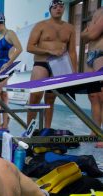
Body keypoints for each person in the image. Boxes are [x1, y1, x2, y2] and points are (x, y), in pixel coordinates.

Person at [27, 0, 77, 129]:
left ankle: (47, 130)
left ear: (63, 9)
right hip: (41, 63)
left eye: (60, 6)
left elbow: (72, 52)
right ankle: (29, 129)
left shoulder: (70, 28)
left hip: (59, 65)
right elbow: (30, 47)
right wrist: (49, 51)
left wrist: (74, 73)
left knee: (50, 98)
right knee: (35, 96)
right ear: (50, 9)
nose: (58, 9)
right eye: (55, 7)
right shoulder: (41, 25)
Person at [0, 13, 23, 128]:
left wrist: (9, 63)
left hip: (7, 68)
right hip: (0, 68)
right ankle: (4, 123)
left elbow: (19, 49)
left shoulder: (10, 33)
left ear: (1, 24)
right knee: (3, 95)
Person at [81, 7, 103, 148]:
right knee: (93, 96)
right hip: (90, 56)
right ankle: (95, 131)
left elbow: (92, 34)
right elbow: (83, 37)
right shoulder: (96, 11)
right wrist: (87, 34)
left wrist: (88, 32)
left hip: (101, 53)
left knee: (102, 96)